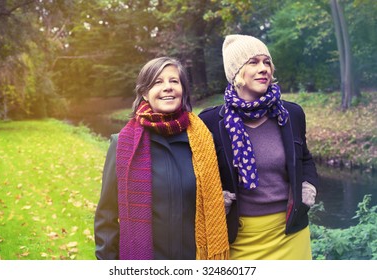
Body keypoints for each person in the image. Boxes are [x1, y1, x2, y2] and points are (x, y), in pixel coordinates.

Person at [94, 56, 229, 260]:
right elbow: (107, 216)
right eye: (158, 82)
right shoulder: (122, 144)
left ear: (182, 90)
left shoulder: (203, 142)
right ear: (145, 94)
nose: (168, 87)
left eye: (174, 81)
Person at [199, 34, 319, 260]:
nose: (263, 68)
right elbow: (199, 173)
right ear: (236, 73)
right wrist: (216, 198)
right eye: (253, 62)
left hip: (290, 232)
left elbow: (304, 158)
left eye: (267, 62)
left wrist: (308, 186)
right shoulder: (211, 121)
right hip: (240, 236)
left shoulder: (291, 114)